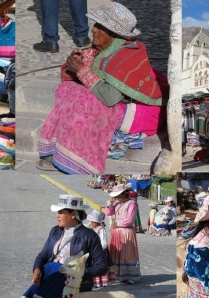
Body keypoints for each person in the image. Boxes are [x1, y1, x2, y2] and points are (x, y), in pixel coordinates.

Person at [37, 2, 167, 174]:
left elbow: (110, 97)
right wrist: (73, 65)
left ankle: (77, 158)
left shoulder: (125, 56)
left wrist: (80, 70)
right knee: (68, 90)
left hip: (142, 112)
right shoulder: (100, 50)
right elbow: (72, 80)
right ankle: (58, 148)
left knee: (83, 100)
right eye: (95, 25)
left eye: (100, 26)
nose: (93, 30)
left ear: (114, 34)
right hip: (118, 102)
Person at [7, 195, 108, 298]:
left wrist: (76, 273)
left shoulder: (89, 236)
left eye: (61, 212)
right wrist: (36, 269)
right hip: (48, 275)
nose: (57, 216)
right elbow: (42, 255)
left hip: (68, 282)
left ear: (73, 214)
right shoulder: (55, 231)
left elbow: (102, 266)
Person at [105, 184, 141, 284]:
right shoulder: (116, 204)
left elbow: (130, 219)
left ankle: (130, 275)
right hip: (116, 233)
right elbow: (108, 213)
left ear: (125, 194)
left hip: (126, 232)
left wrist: (118, 224)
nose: (118, 198)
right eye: (116, 196)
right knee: (116, 253)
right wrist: (110, 203)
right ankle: (117, 274)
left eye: (119, 196)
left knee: (127, 253)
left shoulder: (132, 204)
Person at [87, 209, 110, 288]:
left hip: (100, 251)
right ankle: (96, 282)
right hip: (94, 251)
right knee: (94, 266)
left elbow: (104, 242)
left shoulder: (101, 229)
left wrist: (100, 249)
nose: (91, 223)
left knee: (99, 265)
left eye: (93, 222)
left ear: (98, 222)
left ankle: (102, 282)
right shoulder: (92, 229)